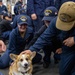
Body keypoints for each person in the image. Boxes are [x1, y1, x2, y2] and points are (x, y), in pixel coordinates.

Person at [21, 1, 75, 75]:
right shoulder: (54, 22)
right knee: (64, 72)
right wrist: (31, 50)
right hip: (67, 48)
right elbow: (44, 37)